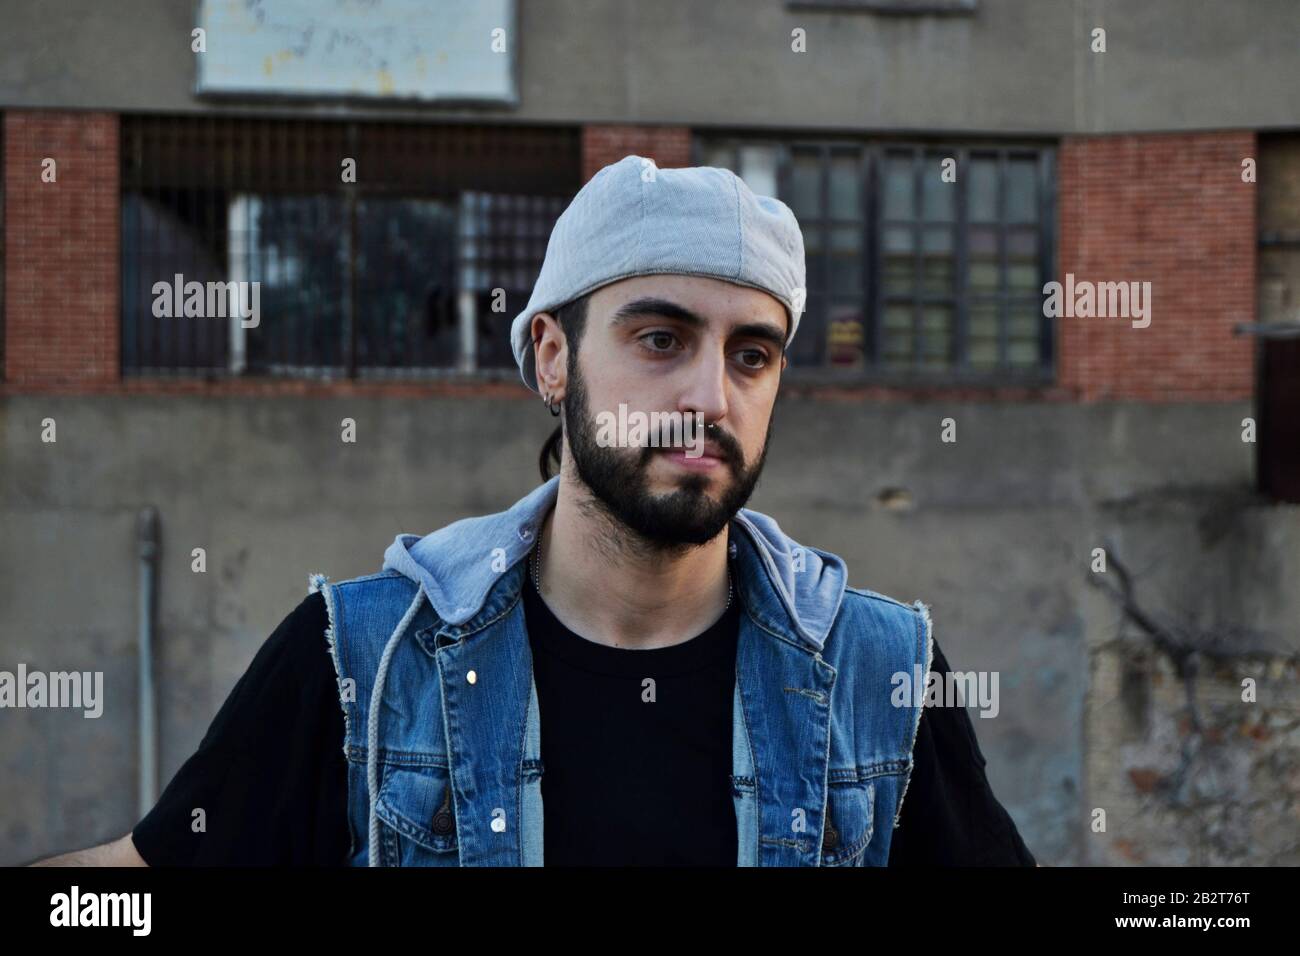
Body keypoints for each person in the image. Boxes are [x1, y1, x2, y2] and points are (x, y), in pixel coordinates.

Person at [32, 155, 1035, 867]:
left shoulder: (874, 669)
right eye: (659, 338)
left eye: (750, 354)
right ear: (553, 357)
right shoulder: (367, 661)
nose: (709, 397)